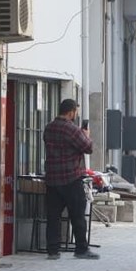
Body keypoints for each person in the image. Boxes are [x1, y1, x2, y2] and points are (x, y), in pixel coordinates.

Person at [43, 99, 98, 260]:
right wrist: (85, 135)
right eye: (76, 112)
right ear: (71, 112)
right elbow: (88, 148)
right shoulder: (72, 130)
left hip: (52, 179)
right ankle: (81, 248)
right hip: (71, 178)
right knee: (77, 215)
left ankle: (53, 250)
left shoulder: (49, 128)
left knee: (53, 216)